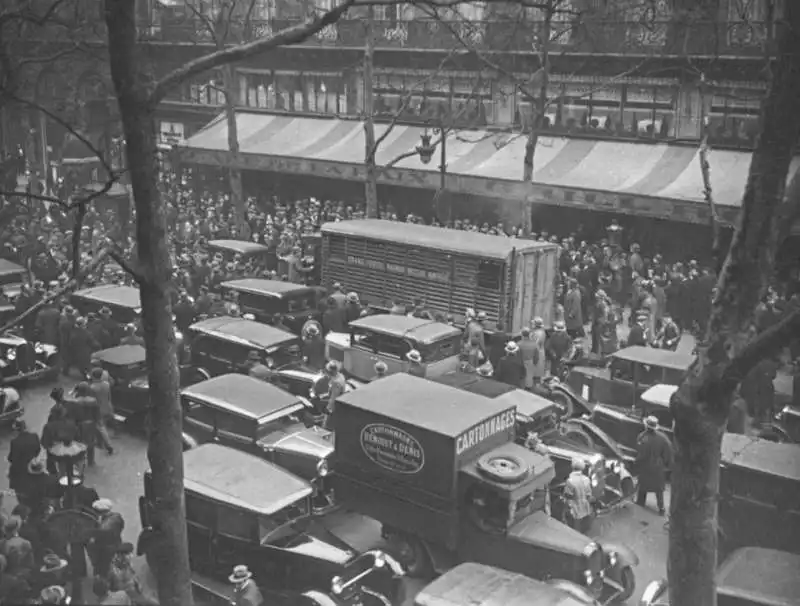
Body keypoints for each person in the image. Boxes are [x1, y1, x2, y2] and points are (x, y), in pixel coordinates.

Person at [635, 416, 672, 515]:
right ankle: (661, 508)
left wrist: (637, 463)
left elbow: (640, 453)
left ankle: (640, 502)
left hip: (645, 465)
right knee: (658, 489)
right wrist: (666, 463)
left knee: (643, 485)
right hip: (657, 466)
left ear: (646, 426)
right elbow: (668, 451)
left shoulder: (642, 437)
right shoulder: (663, 438)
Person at [89, 499, 124, 578]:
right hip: (116, 544)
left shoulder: (105, 524)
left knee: (104, 570)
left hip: (105, 550)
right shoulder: (117, 517)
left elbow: (100, 534)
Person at [7, 420, 41, 501]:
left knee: (16, 485)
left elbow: (12, 459)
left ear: (17, 430)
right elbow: (38, 450)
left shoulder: (14, 442)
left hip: (20, 470)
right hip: (33, 465)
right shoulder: (34, 436)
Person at [562, 459, 594, 533]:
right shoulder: (586, 479)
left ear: (572, 467)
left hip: (574, 506)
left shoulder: (570, 481)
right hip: (585, 505)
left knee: (575, 526)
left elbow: (568, 495)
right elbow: (589, 494)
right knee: (584, 525)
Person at [90, 367, 115, 453]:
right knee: (103, 425)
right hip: (107, 406)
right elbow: (109, 397)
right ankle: (99, 442)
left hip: (98, 410)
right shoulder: (106, 384)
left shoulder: (92, 387)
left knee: (101, 428)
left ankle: (108, 445)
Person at [324, 361, 346, 430]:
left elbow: (334, 397)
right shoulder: (341, 375)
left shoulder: (336, 382)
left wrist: (328, 408)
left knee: (328, 425)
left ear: (332, 371)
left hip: (335, 406)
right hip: (340, 401)